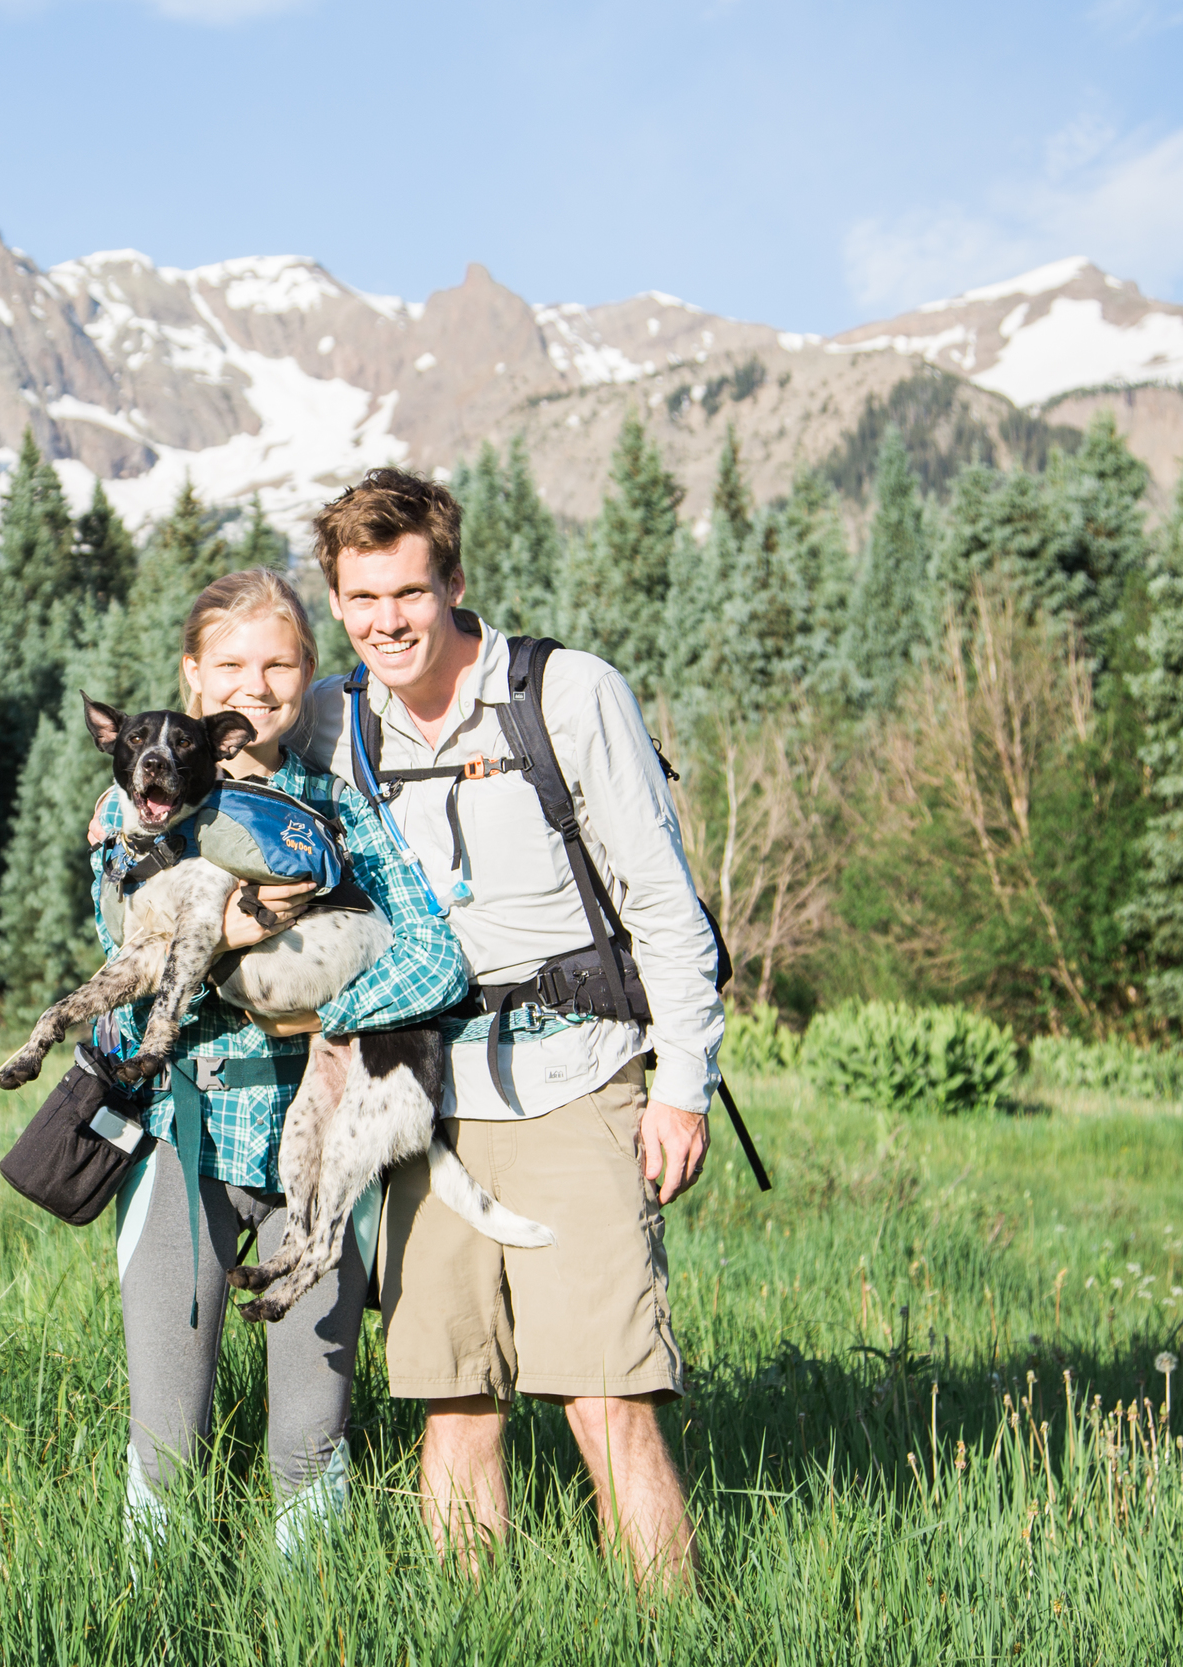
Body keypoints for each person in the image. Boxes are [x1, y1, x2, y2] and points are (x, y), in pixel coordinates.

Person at [289, 468, 724, 1590]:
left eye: (408, 593)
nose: (386, 621)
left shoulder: (567, 693)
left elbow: (663, 901)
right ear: (337, 600)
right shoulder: (335, 719)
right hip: (420, 1097)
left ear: (454, 582)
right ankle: (468, 1630)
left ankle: (676, 1629)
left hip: (574, 1077)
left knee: (605, 1394)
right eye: (360, 599)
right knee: (453, 1395)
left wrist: (682, 1082)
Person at [85, 568, 468, 1559]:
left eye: (277, 663)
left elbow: (433, 951)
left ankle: (312, 1621)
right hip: (185, 1139)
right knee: (166, 1438)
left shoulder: (341, 805)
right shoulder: (133, 812)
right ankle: (142, 1627)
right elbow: (122, 943)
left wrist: (323, 1011)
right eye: (228, 666)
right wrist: (234, 930)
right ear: (190, 677)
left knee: (309, 1435)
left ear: (310, 674)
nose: (253, 686)